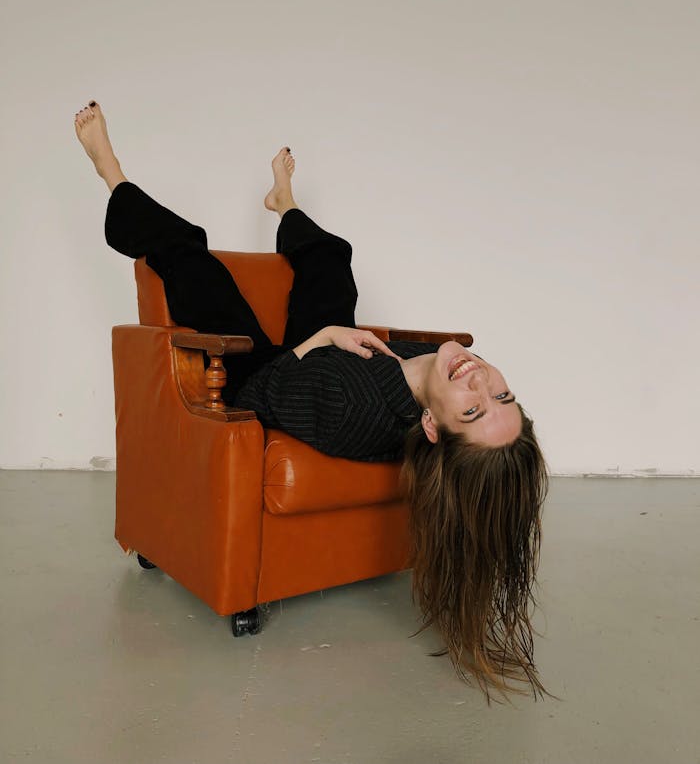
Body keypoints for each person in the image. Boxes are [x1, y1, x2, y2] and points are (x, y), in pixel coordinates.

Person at [74, 100, 557, 706]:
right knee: (333, 258)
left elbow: (266, 389)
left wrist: (325, 338)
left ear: (432, 427)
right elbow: (418, 371)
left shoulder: (344, 405)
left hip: (271, 370)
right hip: (336, 358)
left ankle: (110, 172)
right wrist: (360, 342)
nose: (482, 381)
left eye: (473, 409)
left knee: (189, 252)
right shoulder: (430, 377)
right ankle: (286, 204)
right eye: (501, 394)